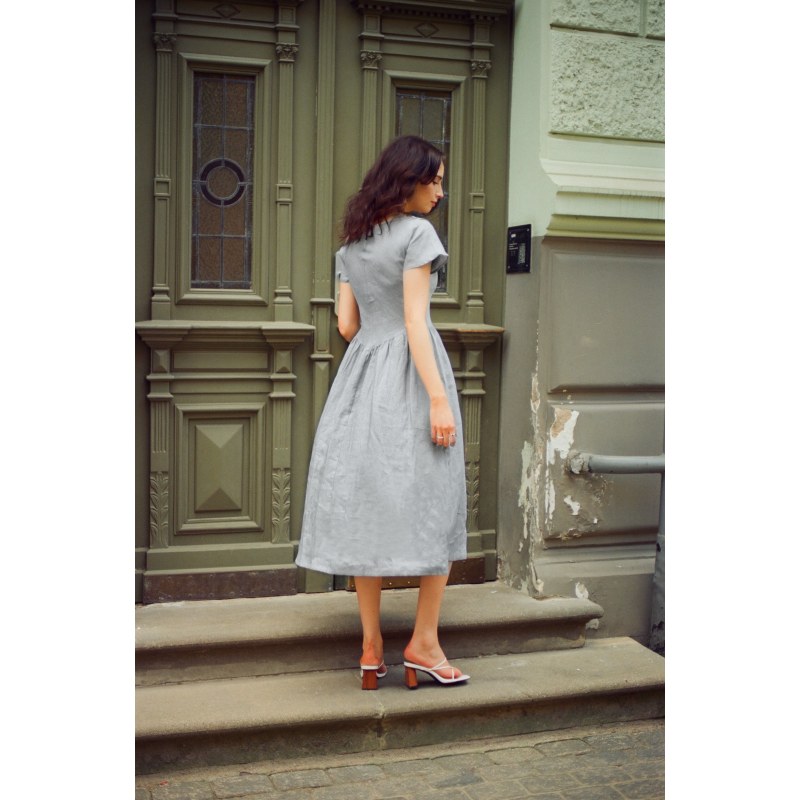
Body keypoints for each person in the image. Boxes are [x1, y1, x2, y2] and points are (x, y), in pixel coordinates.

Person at [295, 135, 469, 690]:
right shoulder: (418, 234)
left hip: (363, 377)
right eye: (434, 180)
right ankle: (423, 643)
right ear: (408, 180)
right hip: (415, 377)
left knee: (365, 502)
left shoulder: (352, 244)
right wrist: (438, 397)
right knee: (437, 502)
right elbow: (416, 322)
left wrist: (376, 328)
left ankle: (371, 648)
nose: (440, 192)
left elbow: (347, 327)